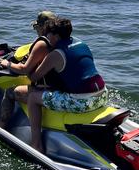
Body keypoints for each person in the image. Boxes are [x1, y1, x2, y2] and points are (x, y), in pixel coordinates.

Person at [11, 17, 107, 152]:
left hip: (81, 102)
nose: (46, 38)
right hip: (102, 95)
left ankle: (35, 145)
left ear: (55, 36)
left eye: (48, 34)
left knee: (33, 97)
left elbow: (33, 76)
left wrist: (17, 64)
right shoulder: (81, 44)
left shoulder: (56, 54)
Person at [0, 11, 56, 128]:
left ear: (43, 27)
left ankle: (0, 127)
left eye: (37, 27)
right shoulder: (60, 39)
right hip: (61, 86)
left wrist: (7, 63)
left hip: (47, 89)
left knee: (10, 92)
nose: (36, 31)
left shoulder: (42, 43)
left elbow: (24, 69)